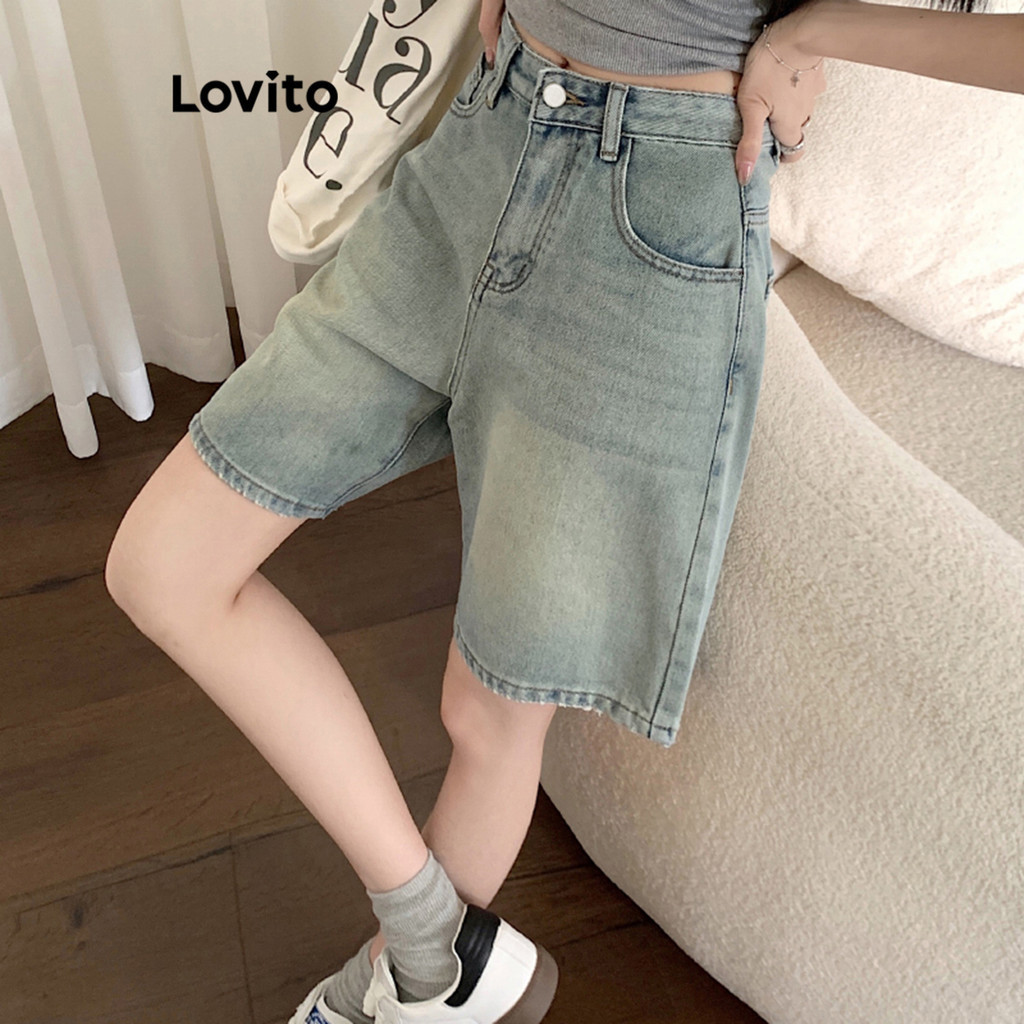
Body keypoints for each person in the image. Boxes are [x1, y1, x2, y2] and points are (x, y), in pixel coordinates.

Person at [104, 2, 1022, 1023]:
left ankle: (407, 982)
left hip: (659, 209)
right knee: (164, 564)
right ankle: (431, 940)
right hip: (487, 137)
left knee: (490, 706)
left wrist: (814, 36)